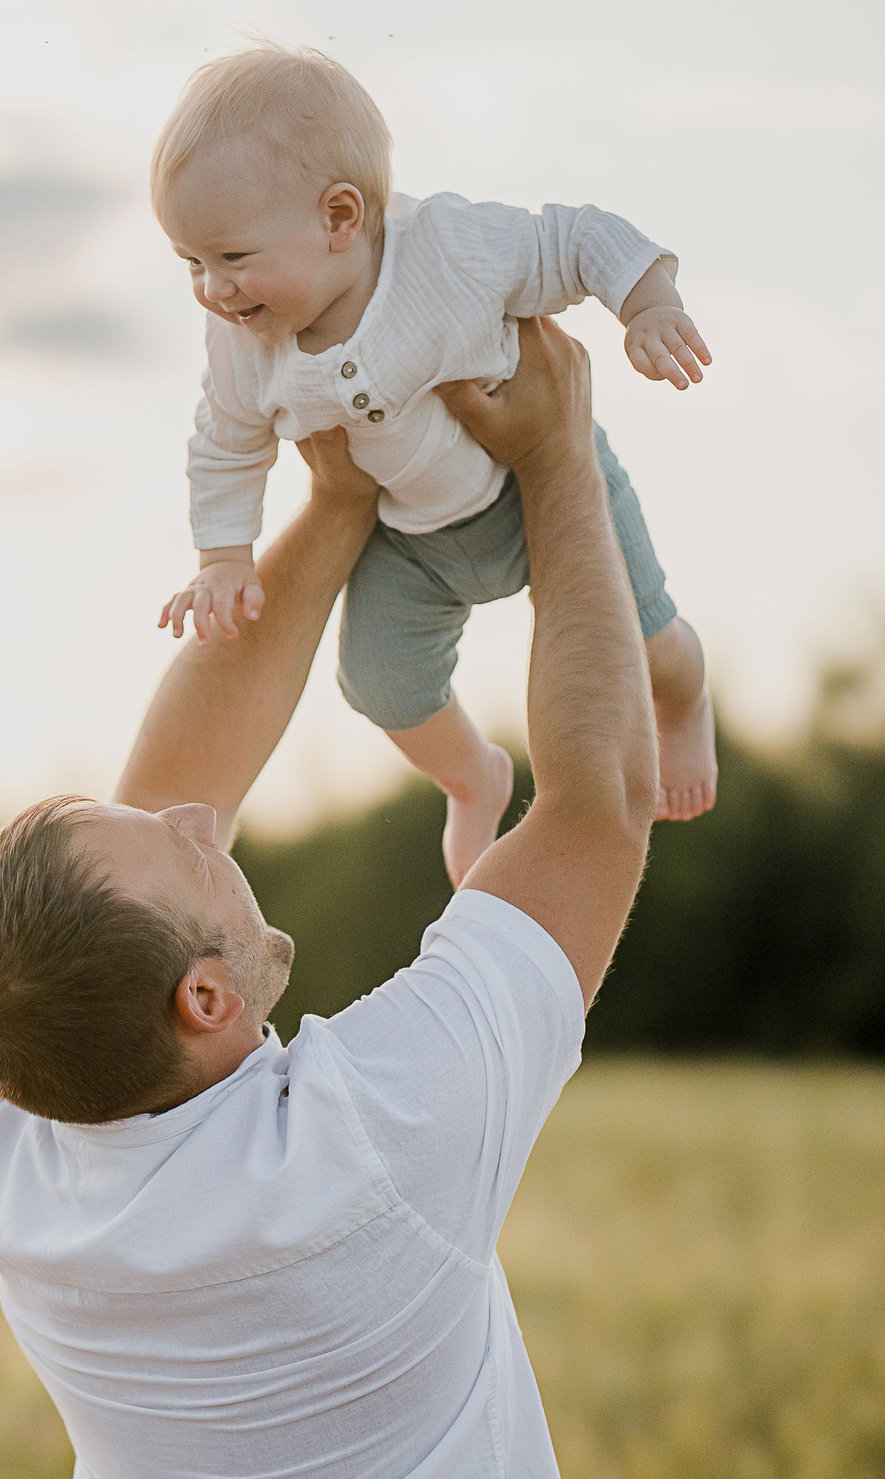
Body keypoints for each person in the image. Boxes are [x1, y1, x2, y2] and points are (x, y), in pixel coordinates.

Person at [0, 315, 657, 1479]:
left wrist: (335, 496)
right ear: (205, 998)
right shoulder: (373, 1136)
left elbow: (182, 769)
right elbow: (599, 800)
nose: (201, 813)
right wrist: (562, 455)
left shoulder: (18, 1128)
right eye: (185, 851)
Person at [151, 44, 716, 884]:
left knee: (644, 635)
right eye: (190, 263)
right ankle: (473, 775)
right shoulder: (242, 344)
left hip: (533, 488)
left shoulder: (448, 252)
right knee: (376, 681)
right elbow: (226, 444)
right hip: (407, 539)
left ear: (341, 218)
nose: (210, 290)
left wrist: (647, 302)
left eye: (231, 258)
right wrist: (222, 557)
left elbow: (574, 237)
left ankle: (684, 694)